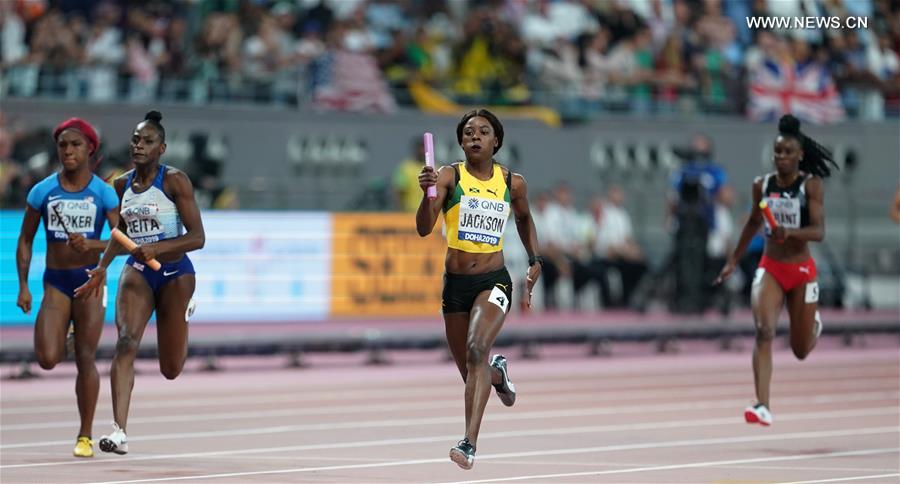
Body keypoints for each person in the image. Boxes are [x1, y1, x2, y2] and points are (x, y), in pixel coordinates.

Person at [416, 109, 542, 470]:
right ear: (461, 142)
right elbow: (425, 228)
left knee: (475, 351)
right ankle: (498, 373)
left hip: (494, 280)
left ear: (495, 141)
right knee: (472, 371)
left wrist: (535, 258)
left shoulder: (511, 182)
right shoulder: (447, 176)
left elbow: (524, 217)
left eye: (483, 132)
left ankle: (468, 443)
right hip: (455, 286)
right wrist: (426, 196)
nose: (475, 137)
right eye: (468, 132)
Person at [75, 110, 205, 455]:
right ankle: (119, 431)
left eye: (147, 141)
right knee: (125, 341)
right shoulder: (120, 185)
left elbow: (197, 238)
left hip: (176, 274)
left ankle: (183, 312)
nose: (139, 145)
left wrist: (158, 247)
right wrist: (102, 266)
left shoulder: (175, 181)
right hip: (139, 272)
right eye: (135, 139)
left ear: (161, 148)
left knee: (171, 368)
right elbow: (119, 236)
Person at [715, 114, 837, 427]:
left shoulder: (811, 186)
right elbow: (754, 223)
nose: (780, 157)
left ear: (799, 155)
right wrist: (732, 259)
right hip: (770, 267)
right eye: (777, 152)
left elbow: (819, 231)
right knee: (764, 330)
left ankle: (812, 325)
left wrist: (791, 233)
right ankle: (762, 405)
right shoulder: (762, 185)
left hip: (801, 271)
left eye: (787, 153)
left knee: (799, 351)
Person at [16, 117, 119, 458]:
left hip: (90, 281)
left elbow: (121, 242)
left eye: (75, 145)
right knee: (46, 358)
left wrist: (90, 247)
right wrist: (23, 287)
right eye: (62, 145)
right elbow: (26, 239)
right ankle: (69, 336)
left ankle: (85, 435)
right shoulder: (43, 190)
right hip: (56, 282)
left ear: (90, 149)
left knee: (86, 358)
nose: (68, 151)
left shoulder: (103, 192)